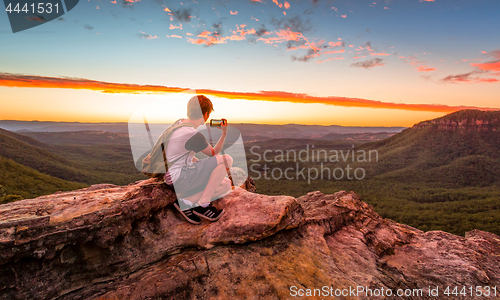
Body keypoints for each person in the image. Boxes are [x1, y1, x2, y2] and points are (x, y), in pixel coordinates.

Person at [164, 95, 233, 224]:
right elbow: (214, 153)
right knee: (226, 159)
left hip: (173, 176)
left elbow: (183, 154)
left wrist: (203, 168)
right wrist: (224, 133)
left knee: (225, 184)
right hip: (180, 177)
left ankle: (186, 202)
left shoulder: (178, 125)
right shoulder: (193, 134)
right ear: (206, 114)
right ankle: (203, 205)